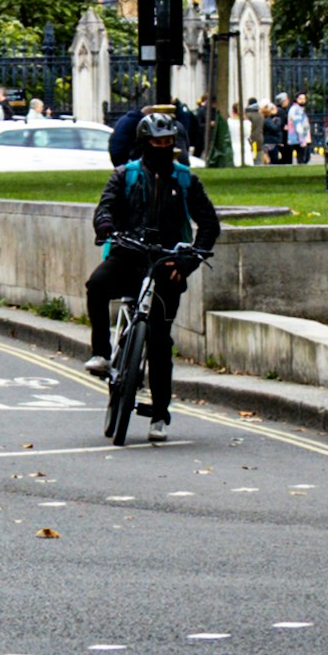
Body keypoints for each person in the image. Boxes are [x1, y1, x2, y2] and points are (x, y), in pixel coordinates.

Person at [85, 102, 222, 434]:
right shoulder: (125, 175)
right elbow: (105, 208)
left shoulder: (186, 179)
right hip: (128, 254)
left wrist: (188, 261)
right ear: (144, 143)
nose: (163, 148)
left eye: (168, 142)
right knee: (96, 286)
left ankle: (160, 414)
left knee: (160, 341)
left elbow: (209, 225)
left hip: (168, 263)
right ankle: (101, 353)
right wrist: (106, 226)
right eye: (157, 142)